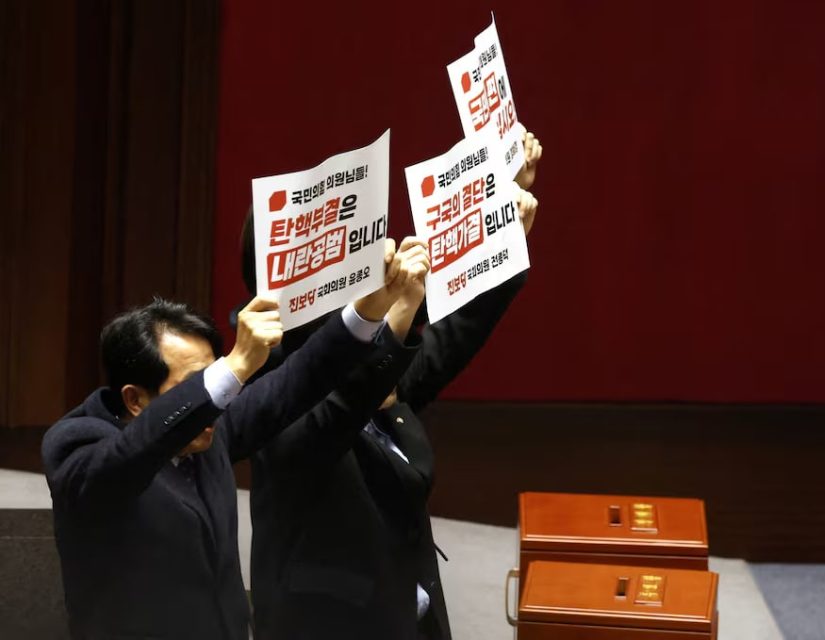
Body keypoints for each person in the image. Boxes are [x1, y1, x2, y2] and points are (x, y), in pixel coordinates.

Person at [41, 240, 429, 640]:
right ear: (134, 399)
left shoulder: (210, 433)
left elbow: (301, 377)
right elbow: (129, 456)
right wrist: (235, 366)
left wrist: (367, 311)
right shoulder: (77, 444)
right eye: (194, 384)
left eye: (212, 376)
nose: (213, 401)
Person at [247, 131, 543, 639]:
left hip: (409, 609)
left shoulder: (370, 360)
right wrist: (399, 310)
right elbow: (345, 403)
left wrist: (500, 223)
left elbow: (446, 344)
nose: (380, 256)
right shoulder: (274, 385)